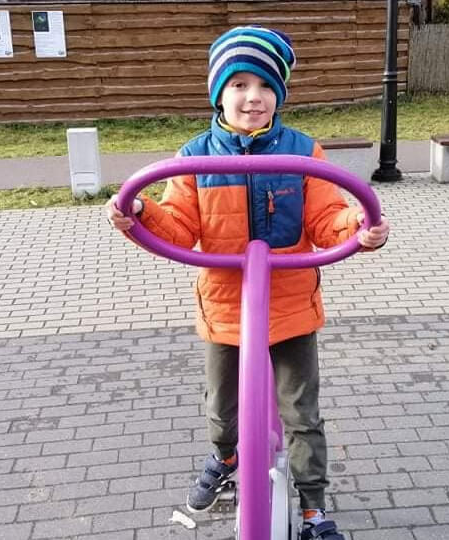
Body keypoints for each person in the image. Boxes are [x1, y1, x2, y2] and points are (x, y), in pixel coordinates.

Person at [106, 25, 390, 540]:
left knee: (301, 414)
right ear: (219, 93)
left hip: (290, 305)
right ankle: (225, 455)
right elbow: (180, 226)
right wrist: (141, 212)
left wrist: (357, 227)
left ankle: (313, 506)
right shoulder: (197, 156)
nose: (252, 97)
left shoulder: (302, 152)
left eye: (264, 86)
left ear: (278, 95)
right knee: (222, 409)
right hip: (226, 307)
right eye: (239, 85)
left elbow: (326, 218)